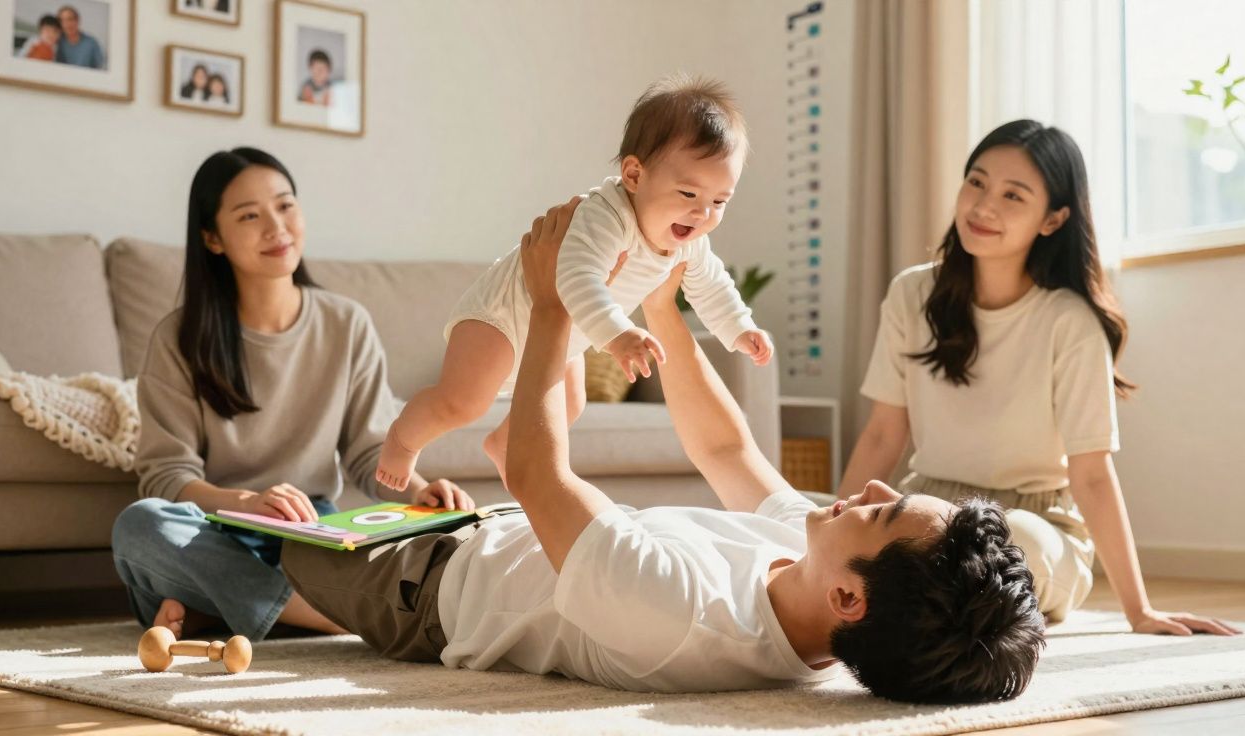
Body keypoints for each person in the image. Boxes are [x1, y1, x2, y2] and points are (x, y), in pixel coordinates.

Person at [282, 198, 1048, 704]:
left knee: (244, 542)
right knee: (276, 529)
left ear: (852, 599)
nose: (876, 486)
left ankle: (258, 584)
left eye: (884, 515)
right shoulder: (814, 570)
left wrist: (553, 304)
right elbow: (723, 447)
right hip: (486, 527)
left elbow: (536, 468)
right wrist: (663, 307)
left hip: (430, 594)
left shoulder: (687, 618)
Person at [838, 119, 1242, 637]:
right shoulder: (911, 294)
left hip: (1036, 523)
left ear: (1052, 220)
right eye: (977, 182)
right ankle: (917, 600)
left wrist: (1139, 611)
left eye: (1013, 195)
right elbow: (881, 434)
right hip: (930, 505)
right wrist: (838, 528)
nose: (984, 206)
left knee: (999, 543)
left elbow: (1092, 475)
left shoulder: (1069, 322)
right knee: (801, 508)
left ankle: (916, 599)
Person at [110, 147, 475, 642]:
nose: (276, 227)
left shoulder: (347, 324)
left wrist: (418, 491)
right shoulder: (178, 338)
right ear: (212, 239)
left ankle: (219, 611)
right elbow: (166, 476)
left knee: (386, 548)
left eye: (285, 206)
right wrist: (247, 502)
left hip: (312, 531)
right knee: (140, 528)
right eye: (249, 215)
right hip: (210, 528)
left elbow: (370, 455)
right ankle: (318, 614)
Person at [375, 74, 775, 491]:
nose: (702, 215)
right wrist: (618, 335)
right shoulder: (606, 217)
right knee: (462, 402)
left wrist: (739, 329)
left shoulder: (691, 243)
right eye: (689, 195)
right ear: (635, 175)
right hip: (502, 320)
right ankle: (401, 441)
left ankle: (507, 443)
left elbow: (712, 287)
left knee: (570, 403)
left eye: (719, 202)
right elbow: (575, 279)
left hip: (563, 335)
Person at [55, 5, 105, 70]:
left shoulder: (91, 43)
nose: (66, 24)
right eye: (62, 21)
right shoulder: (56, 42)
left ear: (78, 20)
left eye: (70, 19)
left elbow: (100, 68)